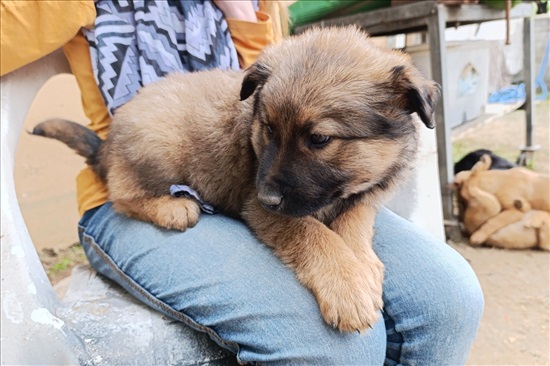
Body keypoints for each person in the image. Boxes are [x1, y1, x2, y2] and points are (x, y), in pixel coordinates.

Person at [1, 1, 484, 364]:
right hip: (144, 186)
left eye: (322, 140)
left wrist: (244, 13)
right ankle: (138, 200)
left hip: (280, 185)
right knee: (332, 344)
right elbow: (263, 167)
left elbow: (276, 81)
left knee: (450, 300)